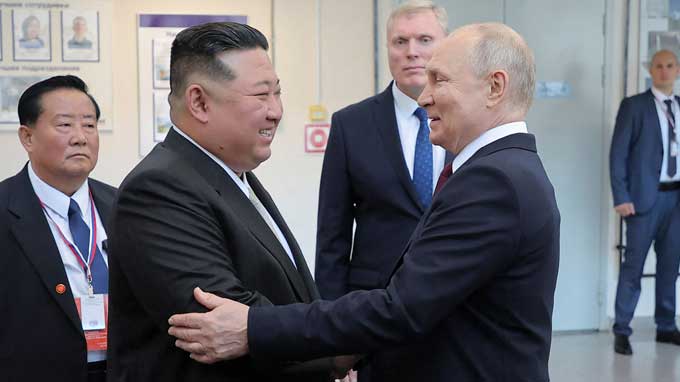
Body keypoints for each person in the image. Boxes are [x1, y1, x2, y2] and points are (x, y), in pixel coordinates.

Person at [168, 22, 561, 382]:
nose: (424, 97)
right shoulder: (502, 171)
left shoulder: (494, 181)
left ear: (495, 87)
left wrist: (254, 327)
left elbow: (402, 308)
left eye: (439, 80)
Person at [107, 22, 340, 381]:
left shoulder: (231, 175)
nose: (276, 111)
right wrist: (343, 343)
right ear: (199, 101)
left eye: (278, 93)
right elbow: (223, 321)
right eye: (261, 96)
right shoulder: (159, 188)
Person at [315, 0, 451, 299]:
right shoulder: (350, 125)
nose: (411, 51)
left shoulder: (467, 121)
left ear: (446, 48)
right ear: (387, 49)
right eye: (400, 41)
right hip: (373, 301)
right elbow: (331, 234)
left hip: (453, 298)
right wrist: (330, 321)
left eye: (424, 40)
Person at [0, 75, 115, 382]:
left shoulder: (124, 206)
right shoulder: (5, 208)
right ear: (27, 137)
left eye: (89, 125)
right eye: (65, 125)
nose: (81, 137)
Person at [609, 49, 680, 355]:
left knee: (669, 266)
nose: (664, 71)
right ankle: (622, 329)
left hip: (676, 200)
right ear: (650, 70)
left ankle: (666, 326)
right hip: (641, 202)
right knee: (633, 267)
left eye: (670, 66)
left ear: (677, 71)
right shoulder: (634, 106)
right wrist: (621, 197)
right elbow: (618, 154)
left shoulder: (679, 106)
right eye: (658, 66)